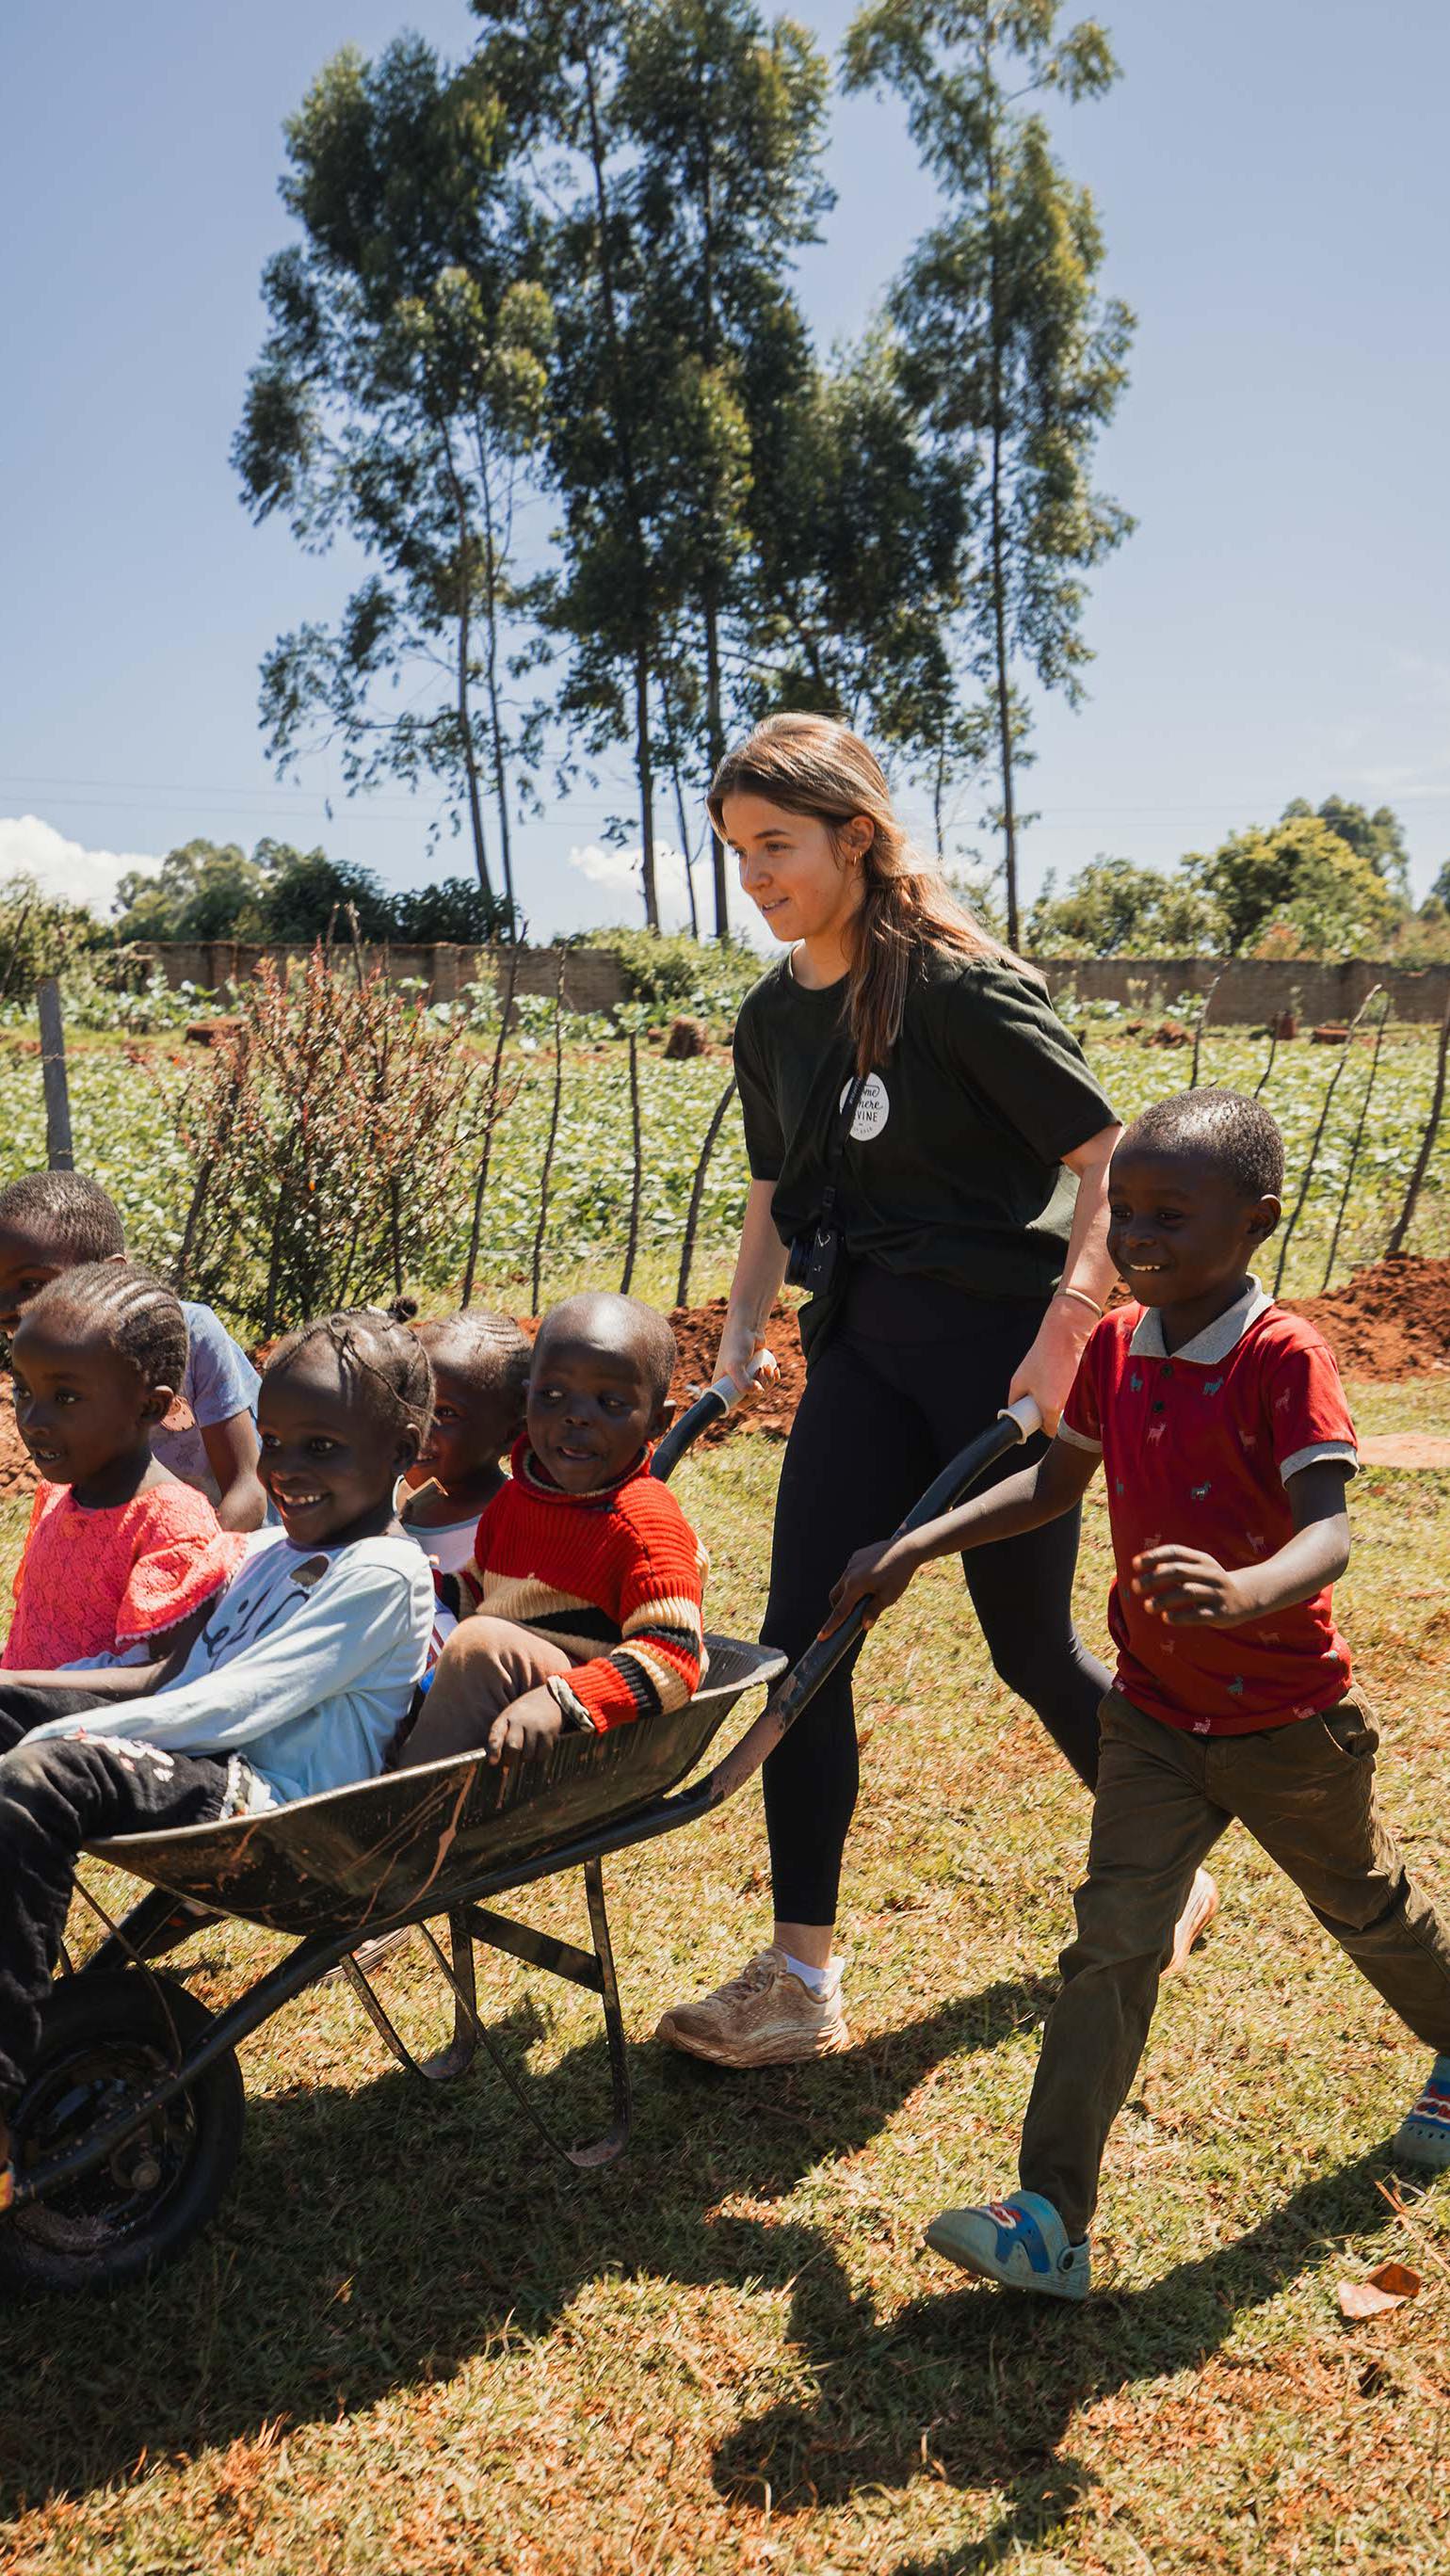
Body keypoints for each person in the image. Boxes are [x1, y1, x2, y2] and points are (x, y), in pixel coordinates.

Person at [655, 713, 1216, 2074]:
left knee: (1029, 1649)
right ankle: (801, 1976)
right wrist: (738, 1330)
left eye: (777, 847)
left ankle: (1173, 1866)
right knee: (805, 1635)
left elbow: (1109, 1158)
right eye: (737, 852)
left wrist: (1070, 1330)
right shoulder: (773, 1011)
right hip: (861, 1352)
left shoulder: (963, 990)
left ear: (857, 837)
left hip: (995, 1365)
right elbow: (776, 1187)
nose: (755, 878)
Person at [826, 1088, 1450, 2295]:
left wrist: (1246, 1587)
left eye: (1173, 1213)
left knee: (1365, 1908)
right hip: (1154, 1720)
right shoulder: (1115, 1347)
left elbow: (1329, 1537)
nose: (1138, 1237)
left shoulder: (1285, 1358)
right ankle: (1051, 2218)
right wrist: (918, 1542)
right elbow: (1054, 1488)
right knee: (1110, 1947)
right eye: (1124, 1215)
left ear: (1258, 1221)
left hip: (1287, 1725)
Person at [0, 1300, 437, 2208]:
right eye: (273, 1441)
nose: (283, 1469)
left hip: (279, 1810)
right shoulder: (277, 1552)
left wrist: (62, 1735)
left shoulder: (386, 1577)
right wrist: (29, 1696)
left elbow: (238, 1702)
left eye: (321, 1447)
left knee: (47, 1773)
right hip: (216, 1764)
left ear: (399, 1453)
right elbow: (177, 1678)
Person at [397, 1291, 706, 1771]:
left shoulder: (644, 1523)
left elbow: (673, 1656)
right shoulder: (518, 1502)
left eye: (610, 1402)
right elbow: (480, 1590)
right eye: (553, 1396)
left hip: (581, 1714)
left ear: (658, 1422)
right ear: (527, 1403)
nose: (576, 1416)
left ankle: (402, 1816)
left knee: (481, 1648)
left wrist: (560, 1701)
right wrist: (410, 1586)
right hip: (509, 1693)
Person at [3, 1264, 245, 1673]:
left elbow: (157, 1677)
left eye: (64, 1398)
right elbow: (32, 1637)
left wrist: (14, 1689)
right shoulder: (58, 1495)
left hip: (83, 1731)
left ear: (149, 1407)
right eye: (23, 1390)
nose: (30, 1419)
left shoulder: (169, 1523)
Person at [0, 1169, 266, 1530]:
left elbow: (247, 1488)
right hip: (149, 1541)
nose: (7, 1307)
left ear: (113, 1274)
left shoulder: (192, 1336)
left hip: (240, 1550)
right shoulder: (39, 1362)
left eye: (32, 1283)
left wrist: (197, 1562)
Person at [398, 1307, 532, 1575]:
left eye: (446, 1413)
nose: (418, 1425)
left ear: (511, 1435)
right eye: (412, 1403)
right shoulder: (375, 1496)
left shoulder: (512, 1531)